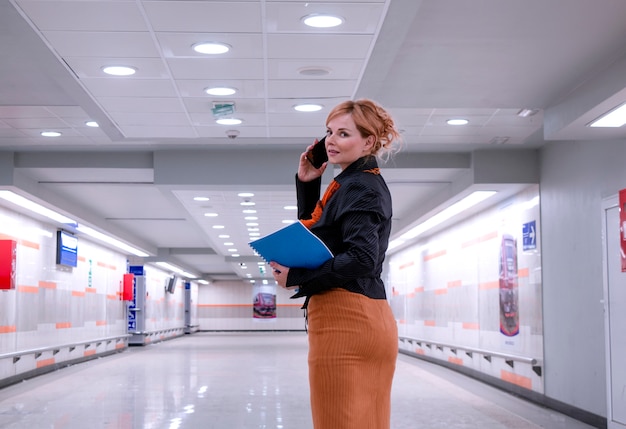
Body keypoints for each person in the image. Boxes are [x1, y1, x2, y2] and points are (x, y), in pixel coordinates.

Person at [270, 98, 401, 429]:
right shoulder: (356, 182)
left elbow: (362, 258)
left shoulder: (359, 185)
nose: (330, 140)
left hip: (345, 319)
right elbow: (322, 237)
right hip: (367, 315)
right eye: (329, 132)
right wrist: (309, 183)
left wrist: (297, 276)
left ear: (368, 141)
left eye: (344, 133)